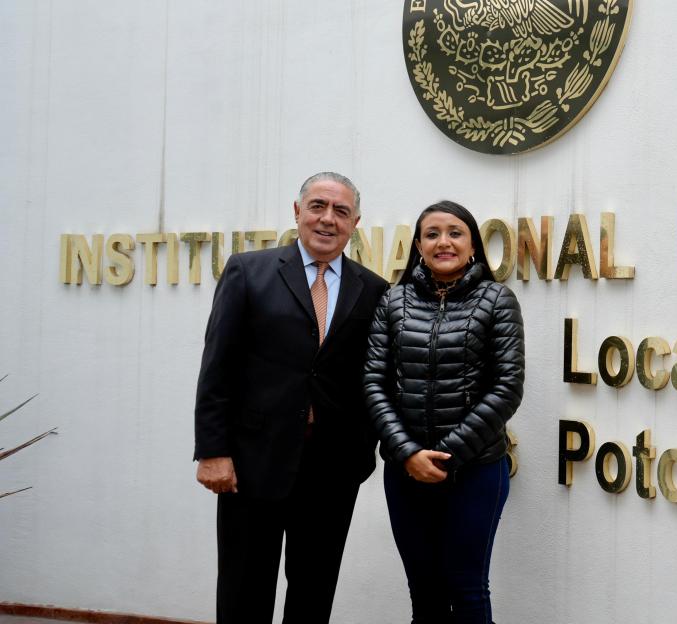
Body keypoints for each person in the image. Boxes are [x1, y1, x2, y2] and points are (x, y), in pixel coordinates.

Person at [193, 172, 390, 623]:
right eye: (318, 206)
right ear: (297, 211)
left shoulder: (374, 290)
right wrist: (212, 451)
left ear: (355, 223)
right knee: (244, 590)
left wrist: (362, 453)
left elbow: (371, 378)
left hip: (332, 467)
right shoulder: (248, 271)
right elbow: (218, 366)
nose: (328, 219)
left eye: (341, 211)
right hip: (251, 462)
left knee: (314, 593)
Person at [363, 200, 524, 623]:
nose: (443, 242)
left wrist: (446, 456)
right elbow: (374, 384)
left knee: (468, 589)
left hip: (476, 470)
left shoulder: (497, 300)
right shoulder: (392, 301)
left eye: (455, 232)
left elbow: (507, 387)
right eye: (432, 234)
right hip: (406, 471)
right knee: (425, 593)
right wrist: (409, 454)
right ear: (419, 246)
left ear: (472, 245)